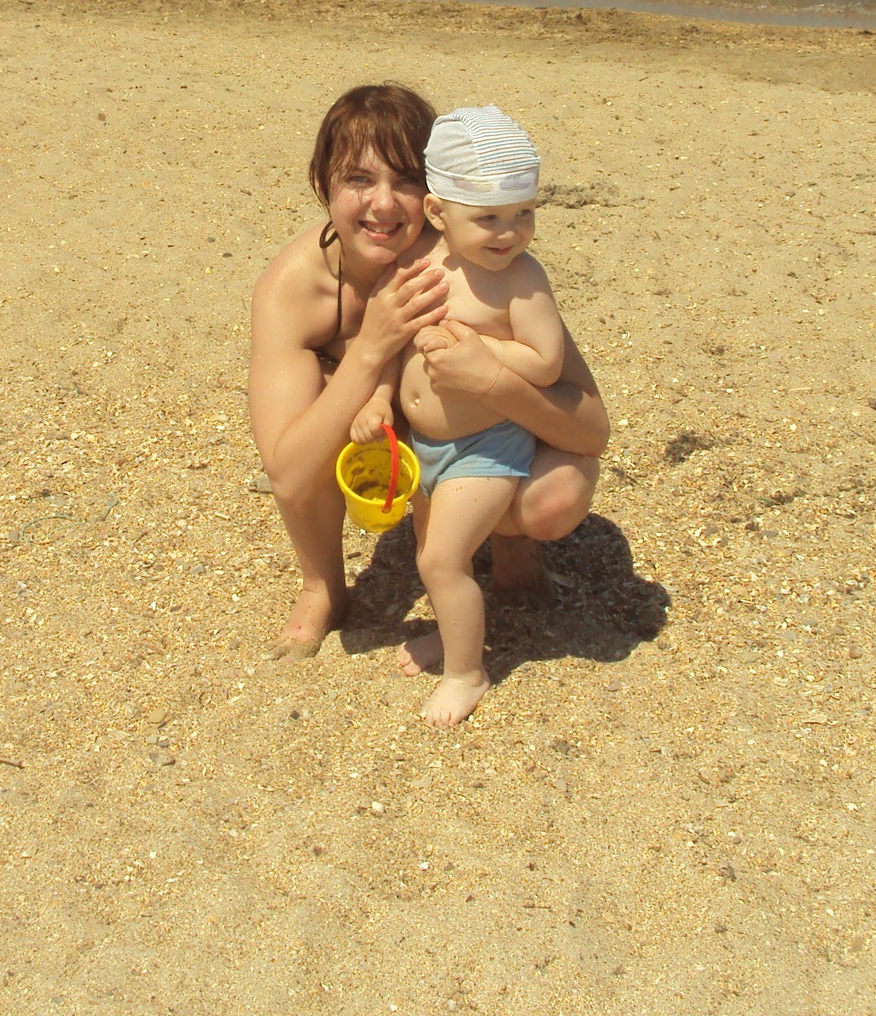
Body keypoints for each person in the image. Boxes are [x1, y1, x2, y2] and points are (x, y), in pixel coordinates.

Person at [248, 85, 609, 660]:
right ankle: (321, 587)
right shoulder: (293, 289)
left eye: (407, 180)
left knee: (554, 496)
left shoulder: (480, 263)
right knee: (324, 401)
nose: (384, 205)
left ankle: (512, 542)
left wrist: (490, 377)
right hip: (386, 417)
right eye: (358, 179)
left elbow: (588, 428)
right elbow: (289, 474)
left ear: (439, 193)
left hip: (473, 427)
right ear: (323, 184)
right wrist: (371, 348)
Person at [350, 108, 565, 726]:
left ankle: (467, 673)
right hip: (427, 446)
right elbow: (393, 346)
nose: (509, 233)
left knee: (439, 561)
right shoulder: (421, 266)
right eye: (488, 218)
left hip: (487, 445)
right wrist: (378, 399)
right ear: (439, 212)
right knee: (437, 553)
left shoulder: (521, 281)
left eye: (523, 214)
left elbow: (546, 362)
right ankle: (452, 634)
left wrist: (480, 348)